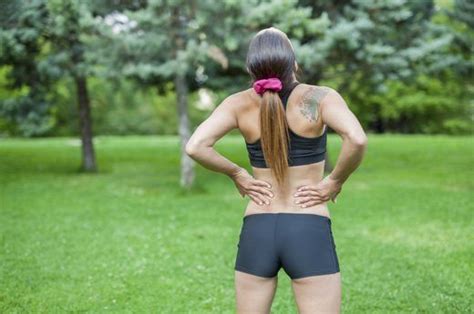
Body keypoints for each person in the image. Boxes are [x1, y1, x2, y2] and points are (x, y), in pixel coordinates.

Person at [185, 27, 367, 314]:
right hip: (307, 224)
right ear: (293, 62)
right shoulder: (320, 98)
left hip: (258, 225)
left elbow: (196, 146)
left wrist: (237, 173)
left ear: (250, 67)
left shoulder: (237, 103)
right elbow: (356, 139)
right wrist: (334, 181)